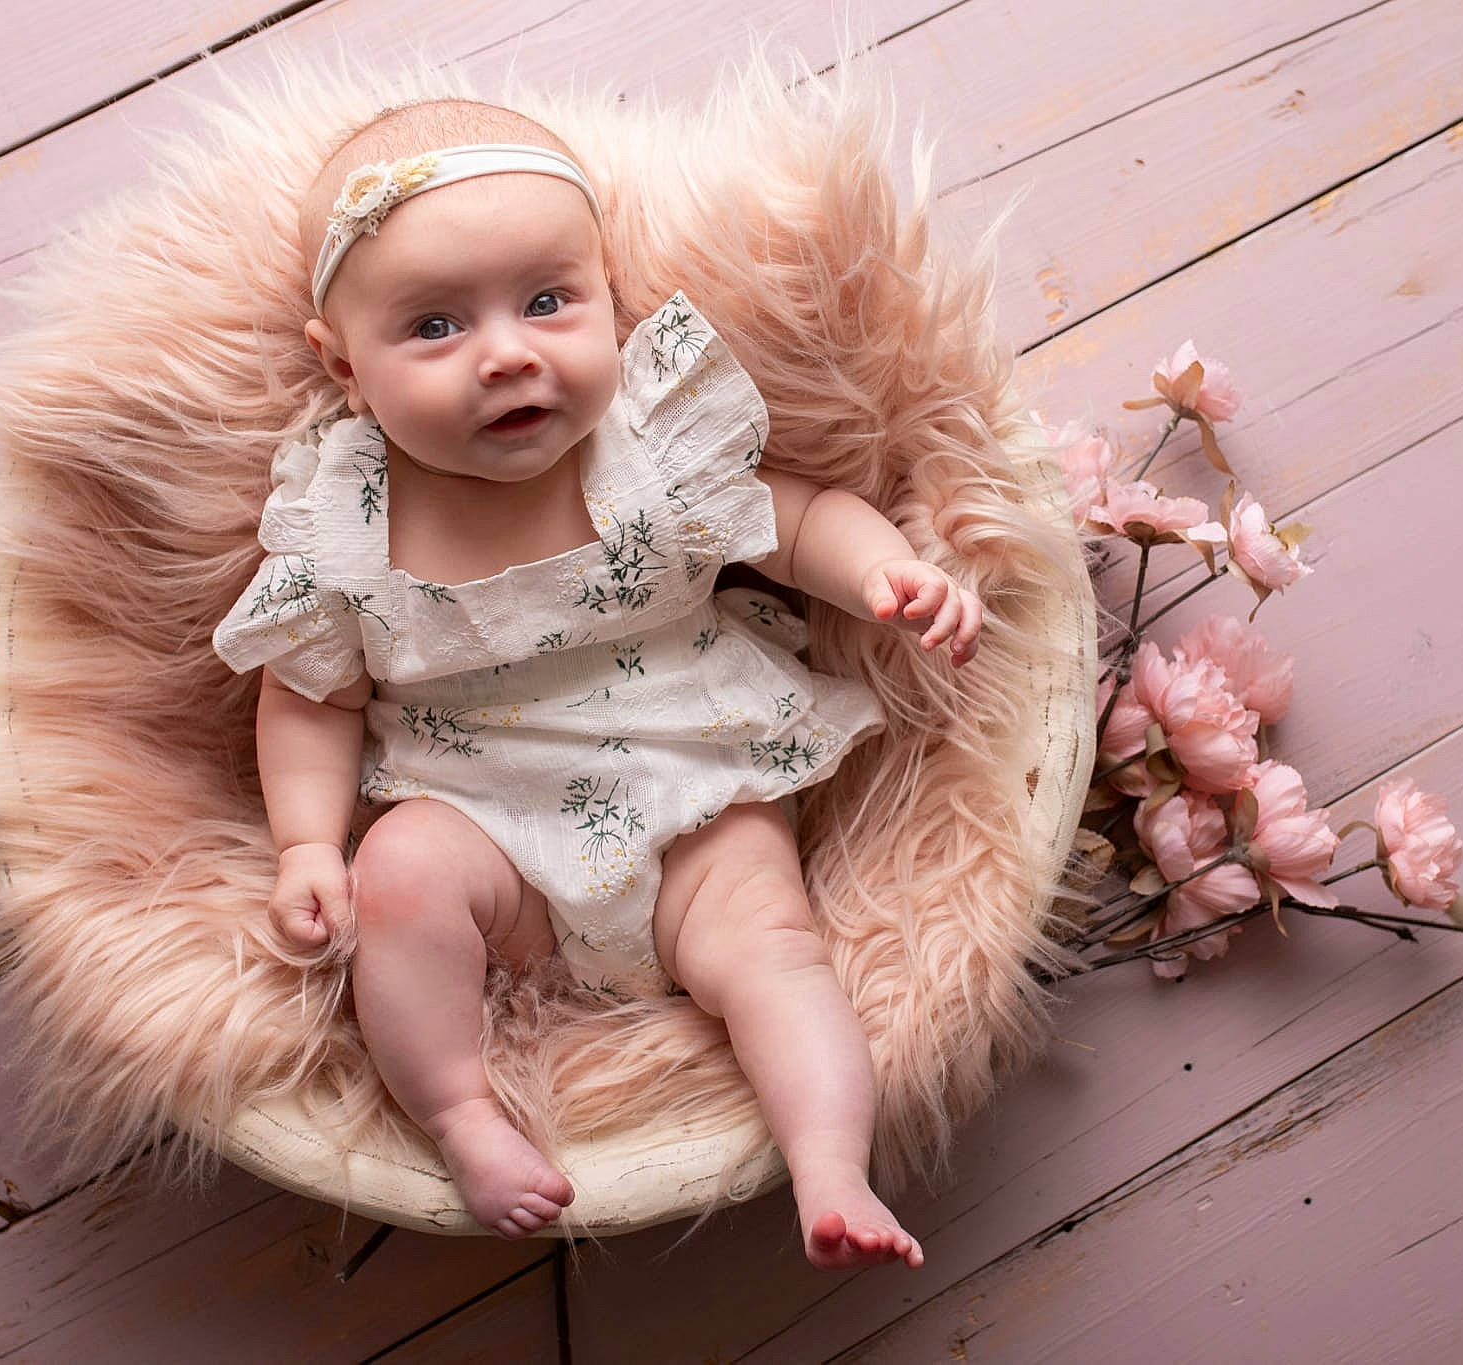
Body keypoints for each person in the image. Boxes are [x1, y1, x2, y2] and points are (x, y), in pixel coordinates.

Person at [215, 98, 985, 1270]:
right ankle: (463, 1111)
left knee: (771, 942)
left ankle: (829, 1165)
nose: (508, 351)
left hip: (692, 793)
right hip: (487, 835)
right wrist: (308, 846)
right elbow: (308, 694)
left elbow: (793, 521)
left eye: (547, 301)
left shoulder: (650, 448)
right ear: (344, 366)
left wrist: (888, 571)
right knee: (401, 877)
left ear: (607, 297)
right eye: (433, 325)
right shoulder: (342, 520)